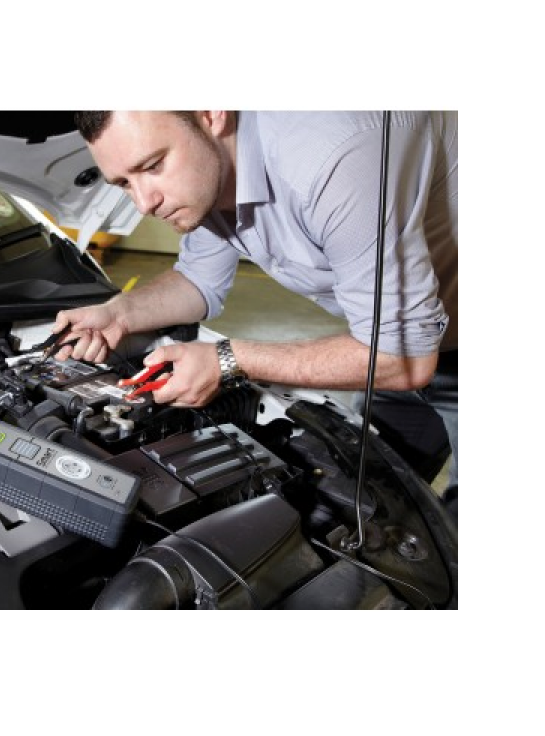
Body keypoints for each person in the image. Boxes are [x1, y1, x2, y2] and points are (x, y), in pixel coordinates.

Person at [50, 111, 457, 514]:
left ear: (211, 113)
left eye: (153, 166)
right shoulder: (209, 173)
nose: (144, 203)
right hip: (399, 335)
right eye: (124, 183)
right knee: (374, 502)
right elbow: (198, 280)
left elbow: (403, 357)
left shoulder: (330, 157)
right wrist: (119, 314)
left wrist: (229, 360)